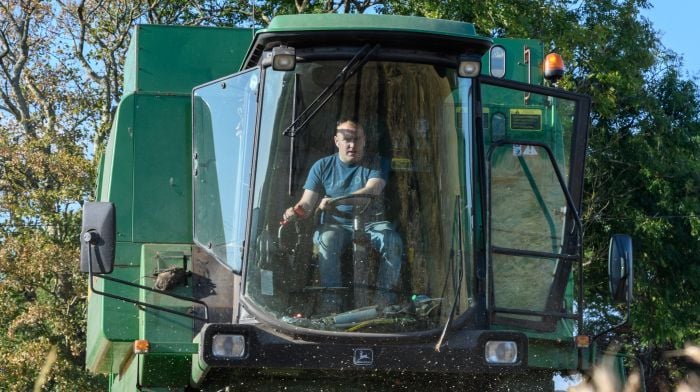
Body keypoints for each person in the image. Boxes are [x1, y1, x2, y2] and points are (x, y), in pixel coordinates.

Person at [282, 119, 403, 313]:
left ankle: (384, 301)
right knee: (326, 241)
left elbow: (372, 191)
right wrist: (295, 212)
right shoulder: (322, 166)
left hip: (372, 224)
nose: (352, 145)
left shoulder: (376, 162)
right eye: (346, 139)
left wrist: (335, 200)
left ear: (365, 141)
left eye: (357, 139)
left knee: (392, 241)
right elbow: (307, 204)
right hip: (336, 226)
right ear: (336, 141)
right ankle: (331, 302)